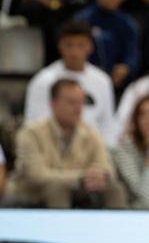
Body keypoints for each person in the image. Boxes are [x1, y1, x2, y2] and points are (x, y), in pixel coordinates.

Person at [11, 79, 127, 209]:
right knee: (57, 188)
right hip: (34, 193)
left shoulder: (91, 133)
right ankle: (59, 223)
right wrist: (81, 177)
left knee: (115, 188)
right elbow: (37, 175)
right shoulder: (31, 133)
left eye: (81, 102)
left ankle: (118, 222)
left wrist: (100, 175)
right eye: (72, 102)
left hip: (78, 192)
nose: (78, 108)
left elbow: (107, 168)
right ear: (53, 104)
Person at [23, 21, 118, 143]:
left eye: (80, 45)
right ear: (60, 46)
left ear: (90, 46)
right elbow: (33, 123)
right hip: (52, 147)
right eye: (69, 45)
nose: (74, 52)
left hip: (92, 147)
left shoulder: (103, 81)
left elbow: (107, 124)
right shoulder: (43, 80)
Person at [74, 0, 140, 89]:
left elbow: (132, 54)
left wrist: (126, 67)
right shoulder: (82, 20)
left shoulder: (127, 24)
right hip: (82, 82)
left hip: (115, 84)